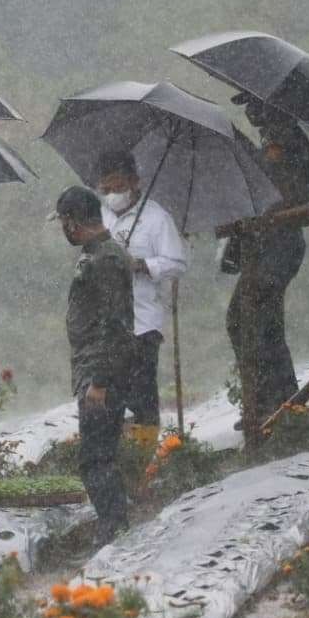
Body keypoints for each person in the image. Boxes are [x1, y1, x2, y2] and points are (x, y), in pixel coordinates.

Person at [224, 93, 309, 443]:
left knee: (247, 319)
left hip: (279, 244)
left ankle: (270, 402)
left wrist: (249, 153)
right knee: (264, 323)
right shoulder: (277, 137)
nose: (249, 112)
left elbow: (274, 190)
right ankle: (280, 401)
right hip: (270, 244)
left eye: (253, 103)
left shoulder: (285, 136)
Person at [50, 186, 135, 544]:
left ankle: (113, 527)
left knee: (95, 459)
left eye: (63, 223)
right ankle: (113, 524)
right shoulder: (98, 254)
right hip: (92, 370)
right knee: (99, 455)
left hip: (102, 375)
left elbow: (114, 325)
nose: (62, 230)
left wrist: (99, 380)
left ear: (72, 223)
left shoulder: (106, 259)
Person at [96, 150, 188, 442]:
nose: (112, 195)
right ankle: (118, 452)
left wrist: (142, 265)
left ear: (135, 182)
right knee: (111, 395)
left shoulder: (156, 218)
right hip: (109, 323)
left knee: (142, 396)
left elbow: (177, 262)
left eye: (118, 187)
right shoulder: (101, 218)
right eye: (106, 189)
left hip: (143, 323)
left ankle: (144, 455)